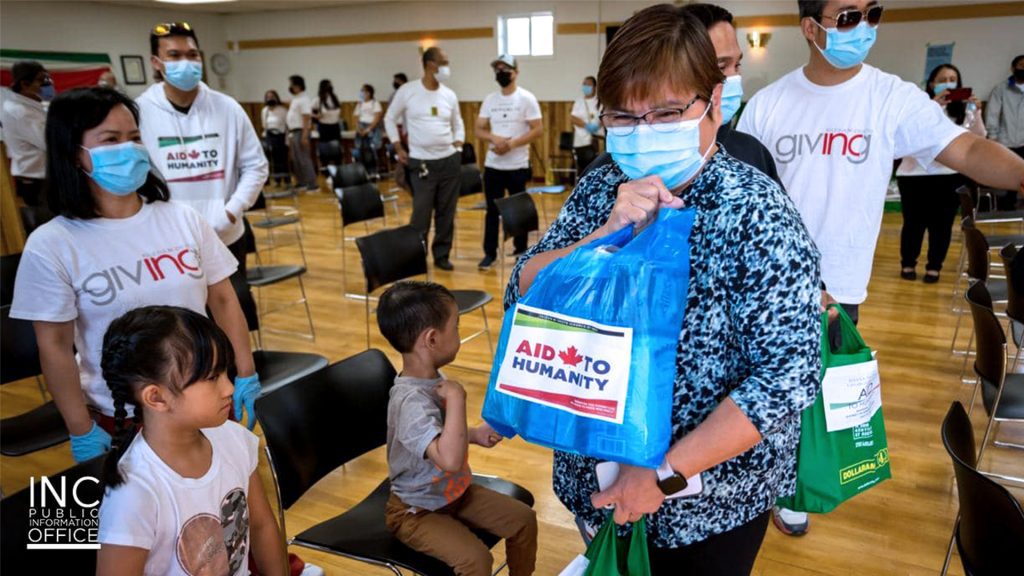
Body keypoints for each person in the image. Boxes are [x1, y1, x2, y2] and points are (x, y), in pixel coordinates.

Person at [509, 5, 821, 573]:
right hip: (593, 477)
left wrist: (661, 474)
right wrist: (602, 236)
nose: (642, 132)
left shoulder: (756, 212)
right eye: (623, 118)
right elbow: (524, 288)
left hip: (705, 505)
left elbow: (788, 375)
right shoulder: (603, 184)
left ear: (715, 103)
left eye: (667, 112)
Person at [737, 0, 1024, 536]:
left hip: (839, 284)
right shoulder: (768, 105)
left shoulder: (889, 96)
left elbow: (965, 149)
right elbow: (745, 191)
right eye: (848, 16)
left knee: (814, 395)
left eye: (873, 13)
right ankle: (753, 478)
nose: (864, 27)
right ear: (810, 27)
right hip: (767, 281)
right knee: (758, 389)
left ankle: (795, 488)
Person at [9, 87, 262, 464]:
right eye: (110, 140)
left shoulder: (182, 218)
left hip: (204, 396)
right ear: (74, 153)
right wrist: (80, 428)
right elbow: (56, 348)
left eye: (134, 138)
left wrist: (244, 371)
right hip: (125, 414)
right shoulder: (52, 244)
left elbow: (224, 299)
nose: (128, 149)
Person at [95, 306, 287, 576]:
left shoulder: (232, 438)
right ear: (157, 398)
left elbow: (262, 526)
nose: (229, 388)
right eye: (212, 378)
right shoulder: (134, 493)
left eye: (225, 372)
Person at [377, 281, 537, 576]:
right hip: (416, 511)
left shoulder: (432, 378)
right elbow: (449, 459)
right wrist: (458, 397)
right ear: (433, 339)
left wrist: (473, 434)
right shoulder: (410, 401)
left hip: (453, 494)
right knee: (475, 561)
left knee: (523, 520)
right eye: (457, 327)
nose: (460, 334)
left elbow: (441, 435)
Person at [137, 21, 268, 313]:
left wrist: (232, 211)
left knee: (232, 318)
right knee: (184, 327)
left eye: (192, 54)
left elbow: (256, 166)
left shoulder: (228, 108)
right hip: (169, 246)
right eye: (174, 55)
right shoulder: (140, 112)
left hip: (225, 235)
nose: (186, 62)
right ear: (156, 62)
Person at [579, 3, 781, 188]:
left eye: (736, 65)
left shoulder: (752, 162)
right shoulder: (600, 180)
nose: (732, 78)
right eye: (719, 66)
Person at [897, 64, 986, 283]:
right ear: (932, 84)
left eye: (952, 78)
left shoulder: (964, 110)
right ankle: (908, 263)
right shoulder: (917, 106)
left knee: (942, 225)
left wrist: (977, 113)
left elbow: (978, 139)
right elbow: (905, 138)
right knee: (913, 224)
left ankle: (934, 266)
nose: (948, 82)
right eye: (942, 79)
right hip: (913, 175)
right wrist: (931, 107)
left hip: (949, 176)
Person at [385, 46, 465, 271]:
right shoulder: (408, 91)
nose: (447, 67)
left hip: (448, 160)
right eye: (444, 62)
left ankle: (441, 255)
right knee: (421, 214)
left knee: (446, 213)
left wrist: (458, 144)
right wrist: (397, 146)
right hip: (421, 163)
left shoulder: (449, 94)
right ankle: (416, 256)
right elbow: (390, 118)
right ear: (431, 64)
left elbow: (458, 122)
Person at [475, 54, 543, 271]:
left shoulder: (526, 98)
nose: (501, 73)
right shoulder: (490, 100)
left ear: (516, 72)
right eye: (498, 70)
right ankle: (489, 253)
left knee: (518, 209)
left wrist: (511, 144)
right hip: (493, 165)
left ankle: (520, 249)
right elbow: (478, 129)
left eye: (506, 69)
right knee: (492, 211)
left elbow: (538, 130)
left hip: (517, 165)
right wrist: (494, 138)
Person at [1, 61, 53, 206]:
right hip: (35, 179)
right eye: (42, 80)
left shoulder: (30, 106)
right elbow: (49, 142)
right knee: (44, 220)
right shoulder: (21, 111)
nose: (47, 85)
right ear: (24, 84)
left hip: (40, 176)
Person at [985, 54, 1024, 159]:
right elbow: (992, 114)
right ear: (1013, 68)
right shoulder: (1001, 89)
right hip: (1005, 143)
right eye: (1021, 65)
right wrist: (992, 137)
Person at [286, 74, 319, 192]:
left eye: (291, 84)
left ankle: (312, 184)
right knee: (296, 159)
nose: (289, 87)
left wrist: (305, 135)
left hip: (301, 131)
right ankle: (302, 182)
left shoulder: (304, 99)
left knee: (304, 158)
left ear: (297, 86)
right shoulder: (296, 99)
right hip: (294, 131)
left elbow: (306, 117)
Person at [570, 75, 602, 174]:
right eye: (584, 84)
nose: (586, 87)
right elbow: (573, 118)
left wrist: (598, 126)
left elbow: (604, 116)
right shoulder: (579, 102)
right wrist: (586, 125)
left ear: (595, 87)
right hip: (581, 141)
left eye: (588, 84)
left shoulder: (600, 101)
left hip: (597, 140)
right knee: (584, 169)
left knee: (597, 167)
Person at [261, 89, 290, 187]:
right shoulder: (265, 111)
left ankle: (286, 179)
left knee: (282, 159)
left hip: (281, 137)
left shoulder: (282, 110)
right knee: (271, 159)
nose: (270, 99)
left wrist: (287, 140)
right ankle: (276, 180)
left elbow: (287, 126)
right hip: (269, 136)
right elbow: (264, 125)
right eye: (268, 97)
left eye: (272, 96)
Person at [353, 83, 384, 174]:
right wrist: (358, 128)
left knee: (371, 150)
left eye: (363, 90)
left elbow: (377, 117)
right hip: (361, 127)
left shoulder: (375, 103)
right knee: (361, 150)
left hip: (372, 128)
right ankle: (363, 171)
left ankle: (373, 171)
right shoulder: (360, 104)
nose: (361, 92)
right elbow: (355, 116)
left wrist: (368, 129)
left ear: (369, 92)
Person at [312, 78, 342, 144]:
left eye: (331, 85)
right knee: (326, 149)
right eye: (328, 85)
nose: (330, 87)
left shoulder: (335, 98)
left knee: (336, 149)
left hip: (335, 126)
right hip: (324, 127)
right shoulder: (318, 99)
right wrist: (317, 116)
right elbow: (309, 113)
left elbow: (338, 111)